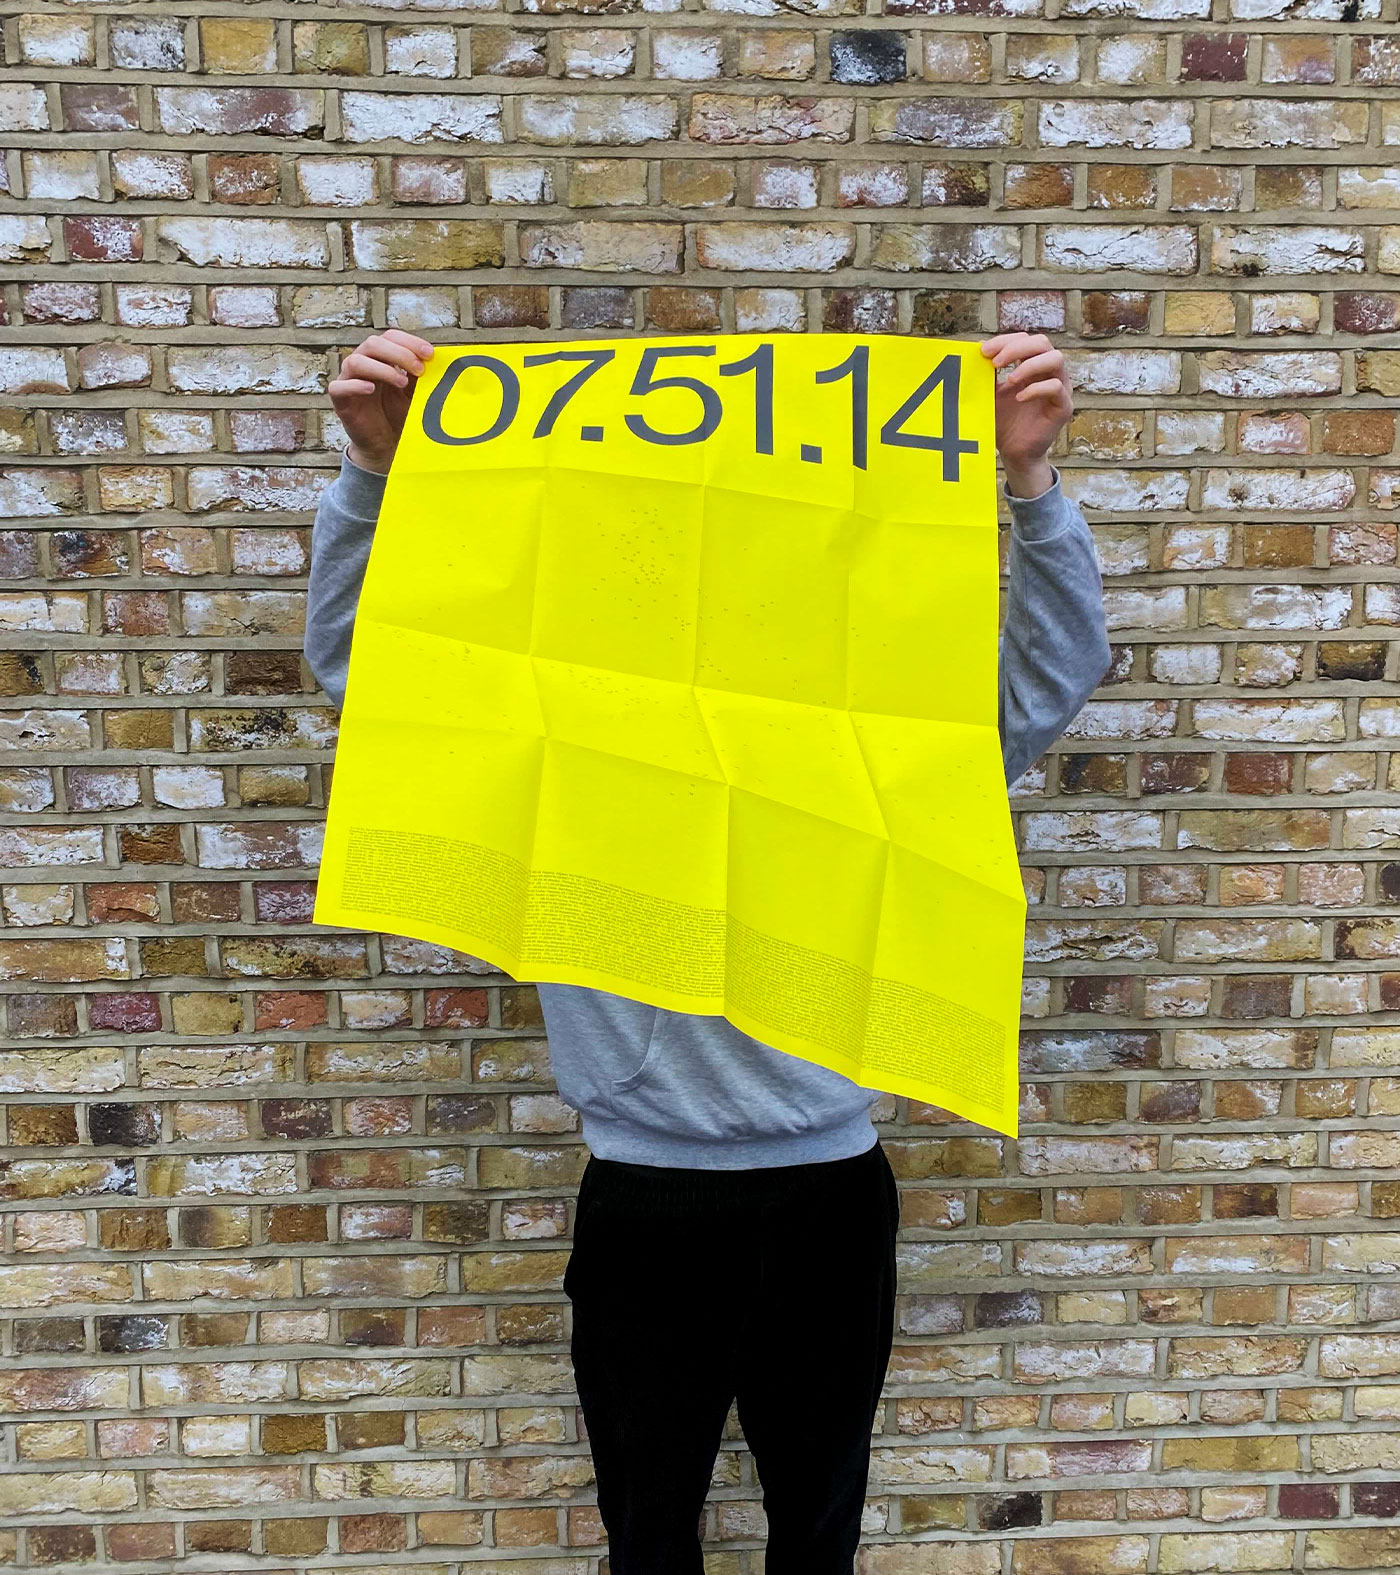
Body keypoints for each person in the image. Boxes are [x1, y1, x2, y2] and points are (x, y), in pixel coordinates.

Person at [305, 327, 1110, 1575]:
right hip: (643, 1199)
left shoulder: (870, 754)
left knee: (816, 1535)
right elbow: (369, 677)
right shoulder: (575, 750)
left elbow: (1051, 674)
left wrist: (1028, 484)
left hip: (828, 1196)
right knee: (647, 1538)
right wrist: (373, 475)